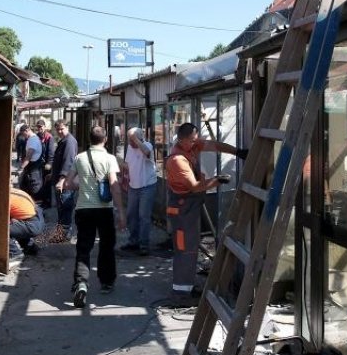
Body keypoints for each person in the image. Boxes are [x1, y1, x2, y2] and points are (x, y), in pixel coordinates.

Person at [165, 122, 248, 305]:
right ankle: (180, 294)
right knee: (185, 249)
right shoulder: (177, 160)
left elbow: (216, 145)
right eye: (193, 141)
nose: (196, 143)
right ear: (182, 140)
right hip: (181, 210)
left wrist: (238, 152)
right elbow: (194, 187)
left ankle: (186, 286)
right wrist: (217, 181)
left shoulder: (192, 145)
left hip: (189, 208)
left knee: (191, 247)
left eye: (197, 139)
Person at [60, 125, 126, 308]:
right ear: (105, 139)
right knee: (106, 246)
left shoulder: (79, 158)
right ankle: (106, 282)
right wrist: (121, 212)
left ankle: (81, 283)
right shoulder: (109, 158)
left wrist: (82, 185)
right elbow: (114, 185)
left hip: (84, 209)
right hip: (104, 209)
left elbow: (68, 183)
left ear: (89, 139)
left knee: (83, 247)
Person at [121, 127, 158, 256]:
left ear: (138, 138)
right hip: (133, 186)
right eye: (129, 139)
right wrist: (119, 164)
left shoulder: (147, 145)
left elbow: (147, 153)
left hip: (147, 185)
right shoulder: (130, 148)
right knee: (131, 215)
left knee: (144, 216)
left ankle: (144, 244)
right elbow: (128, 165)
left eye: (131, 139)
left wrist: (135, 139)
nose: (130, 142)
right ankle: (133, 241)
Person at [49, 119, 79, 241]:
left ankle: (63, 235)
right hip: (60, 181)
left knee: (65, 208)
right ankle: (60, 234)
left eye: (62, 129)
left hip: (65, 183)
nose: (60, 131)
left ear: (67, 127)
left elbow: (68, 162)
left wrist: (62, 180)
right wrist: (52, 174)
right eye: (58, 129)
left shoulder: (70, 142)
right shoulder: (63, 141)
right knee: (61, 209)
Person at [9, 187, 45, 260]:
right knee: (17, 225)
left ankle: (15, 254)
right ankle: (30, 247)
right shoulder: (15, 191)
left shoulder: (5, 198)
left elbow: (2, 221)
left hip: (33, 224)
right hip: (38, 218)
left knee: (2, 230)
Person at [17, 124, 44, 200]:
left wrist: (21, 168)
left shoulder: (33, 140)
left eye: (23, 134)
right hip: (32, 166)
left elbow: (28, 156)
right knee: (25, 186)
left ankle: (37, 205)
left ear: (27, 131)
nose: (23, 136)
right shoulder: (31, 139)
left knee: (35, 187)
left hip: (34, 167)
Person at [35, 119, 55, 206]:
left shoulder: (49, 137)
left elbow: (51, 152)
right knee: (40, 183)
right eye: (38, 127)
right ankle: (41, 200)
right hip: (38, 164)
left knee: (47, 183)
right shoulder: (36, 136)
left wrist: (49, 163)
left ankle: (47, 202)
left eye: (41, 126)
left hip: (46, 164)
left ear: (44, 127)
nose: (39, 128)